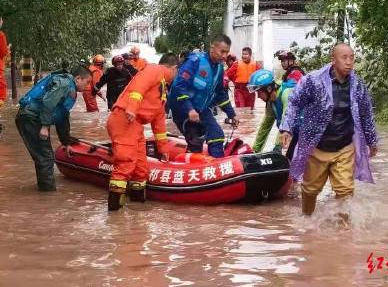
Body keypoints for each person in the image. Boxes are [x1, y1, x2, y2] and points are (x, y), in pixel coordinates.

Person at [280, 43, 379, 216]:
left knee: (345, 191)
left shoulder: (357, 86)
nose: (349, 62)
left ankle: (343, 230)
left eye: (352, 58)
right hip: (317, 146)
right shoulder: (313, 81)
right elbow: (295, 102)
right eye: (344, 57)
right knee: (310, 190)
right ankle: (307, 220)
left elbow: (366, 113)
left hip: (344, 147)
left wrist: (372, 140)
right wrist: (287, 127)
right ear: (333, 60)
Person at [107, 53, 179, 211]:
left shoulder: (161, 92)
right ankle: (114, 216)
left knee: (141, 170)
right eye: (177, 72)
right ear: (174, 68)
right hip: (124, 118)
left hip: (135, 125)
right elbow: (139, 85)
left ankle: (138, 213)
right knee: (126, 163)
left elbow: (159, 124)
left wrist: (163, 149)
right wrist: (132, 107)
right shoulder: (154, 70)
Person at [15, 67, 92, 191]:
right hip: (31, 118)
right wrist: (45, 126)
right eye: (87, 82)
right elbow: (49, 102)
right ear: (78, 79)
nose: (88, 86)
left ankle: (45, 190)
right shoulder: (66, 83)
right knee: (45, 157)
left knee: (45, 156)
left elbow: (62, 117)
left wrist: (66, 142)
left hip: (34, 117)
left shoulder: (69, 87)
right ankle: (47, 196)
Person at [168, 35, 239, 158]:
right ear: (212, 48)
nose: (224, 56)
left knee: (217, 135)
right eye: (222, 51)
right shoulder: (194, 62)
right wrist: (190, 109)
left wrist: (231, 114)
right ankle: (191, 164)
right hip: (182, 109)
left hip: (201, 109)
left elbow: (220, 93)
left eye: (226, 52)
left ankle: (218, 168)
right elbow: (178, 87)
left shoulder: (219, 68)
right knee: (196, 140)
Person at [249, 70, 296, 153]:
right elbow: (265, 127)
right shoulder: (270, 101)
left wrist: (278, 147)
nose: (258, 97)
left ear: (269, 89)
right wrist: (255, 151)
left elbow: (286, 121)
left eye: (259, 92)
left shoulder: (287, 94)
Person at [0, 16, 9, 108]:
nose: (2, 21)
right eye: (1, 20)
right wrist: (7, 50)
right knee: (1, 93)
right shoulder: (1, 35)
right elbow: (3, 52)